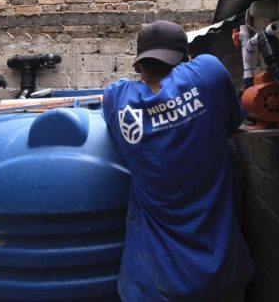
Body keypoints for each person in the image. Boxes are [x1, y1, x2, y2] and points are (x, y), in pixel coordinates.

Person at [102, 20, 254, 302]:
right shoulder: (208, 73)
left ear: (138, 66)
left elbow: (119, 90)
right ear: (185, 59)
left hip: (152, 284)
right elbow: (234, 120)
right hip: (219, 275)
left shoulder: (116, 100)